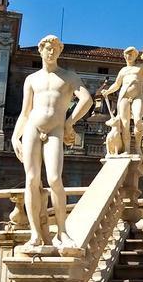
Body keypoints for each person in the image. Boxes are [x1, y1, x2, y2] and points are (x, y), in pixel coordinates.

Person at [12, 35, 93, 252]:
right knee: (31, 180)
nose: (51, 52)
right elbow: (25, 112)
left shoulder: (68, 76)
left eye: (55, 49)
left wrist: (69, 122)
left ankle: (62, 231)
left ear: (59, 52)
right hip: (31, 128)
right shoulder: (31, 79)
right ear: (40, 50)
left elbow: (87, 100)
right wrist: (14, 136)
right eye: (48, 48)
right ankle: (35, 234)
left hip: (56, 129)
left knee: (55, 179)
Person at [101, 44, 143, 155]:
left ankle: (137, 146)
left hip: (137, 97)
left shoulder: (140, 67)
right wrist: (108, 91)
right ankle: (127, 149)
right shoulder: (123, 71)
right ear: (124, 56)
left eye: (131, 54)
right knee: (124, 124)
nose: (129, 56)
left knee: (138, 121)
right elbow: (117, 84)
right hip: (124, 97)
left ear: (136, 55)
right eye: (127, 54)